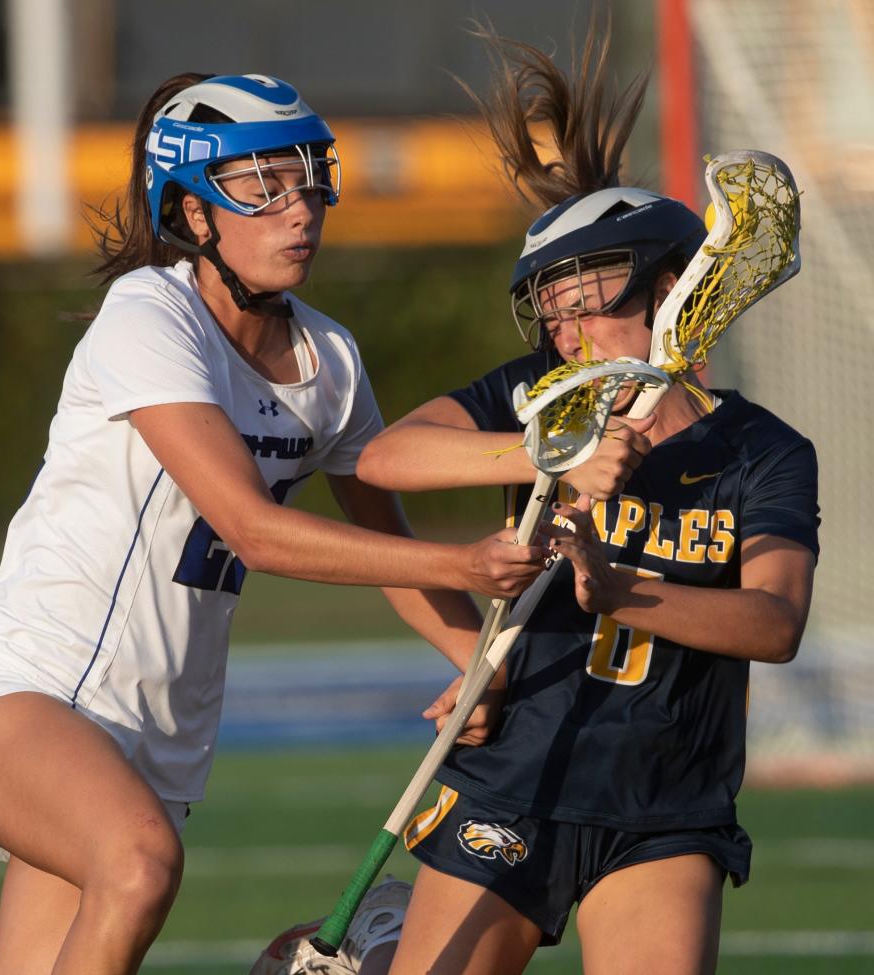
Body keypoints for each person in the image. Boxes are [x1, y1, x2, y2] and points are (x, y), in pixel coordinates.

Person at [0, 71, 571, 975]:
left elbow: (391, 552)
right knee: (138, 862)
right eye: (260, 187)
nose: (297, 209)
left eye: (306, 179)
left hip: (158, 739)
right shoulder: (150, 314)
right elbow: (253, 529)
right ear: (193, 215)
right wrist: (474, 561)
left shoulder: (330, 358)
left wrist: (474, 664)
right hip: (27, 691)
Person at [261, 21, 819, 975]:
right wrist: (547, 453)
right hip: (512, 781)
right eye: (549, 306)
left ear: (676, 286)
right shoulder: (539, 397)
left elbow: (774, 622)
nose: (565, 327)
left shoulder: (762, 449)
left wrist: (620, 591)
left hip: (663, 804)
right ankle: (392, 943)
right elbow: (388, 458)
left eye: (588, 294)